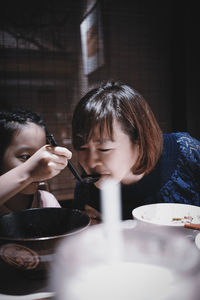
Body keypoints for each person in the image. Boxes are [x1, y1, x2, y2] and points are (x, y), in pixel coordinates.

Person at [71, 81, 200, 223]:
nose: (90, 162)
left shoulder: (186, 152)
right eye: (82, 148)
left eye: (104, 149)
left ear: (139, 140)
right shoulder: (86, 191)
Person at [0, 110, 72, 216]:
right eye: (25, 157)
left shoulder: (46, 201)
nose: (39, 165)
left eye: (41, 157)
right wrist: (28, 172)